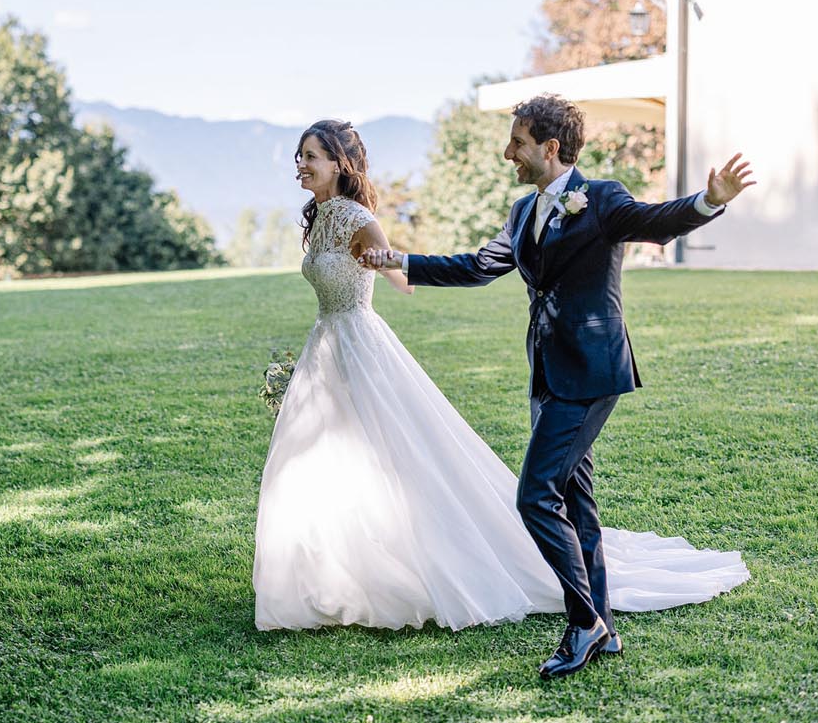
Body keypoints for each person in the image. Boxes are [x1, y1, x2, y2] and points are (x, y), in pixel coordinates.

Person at [253, 111, 751, 680]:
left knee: (536, 496)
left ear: (550, 147)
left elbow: (656, 222)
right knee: (575, 499)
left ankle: (584, 624)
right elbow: (477, 266)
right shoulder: (522, 212)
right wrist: (399, 261)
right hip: (548, 369)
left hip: (592, 370)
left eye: (517, 143)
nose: (508, 153)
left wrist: (708, 202)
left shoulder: (602, 198)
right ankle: (604, 624)